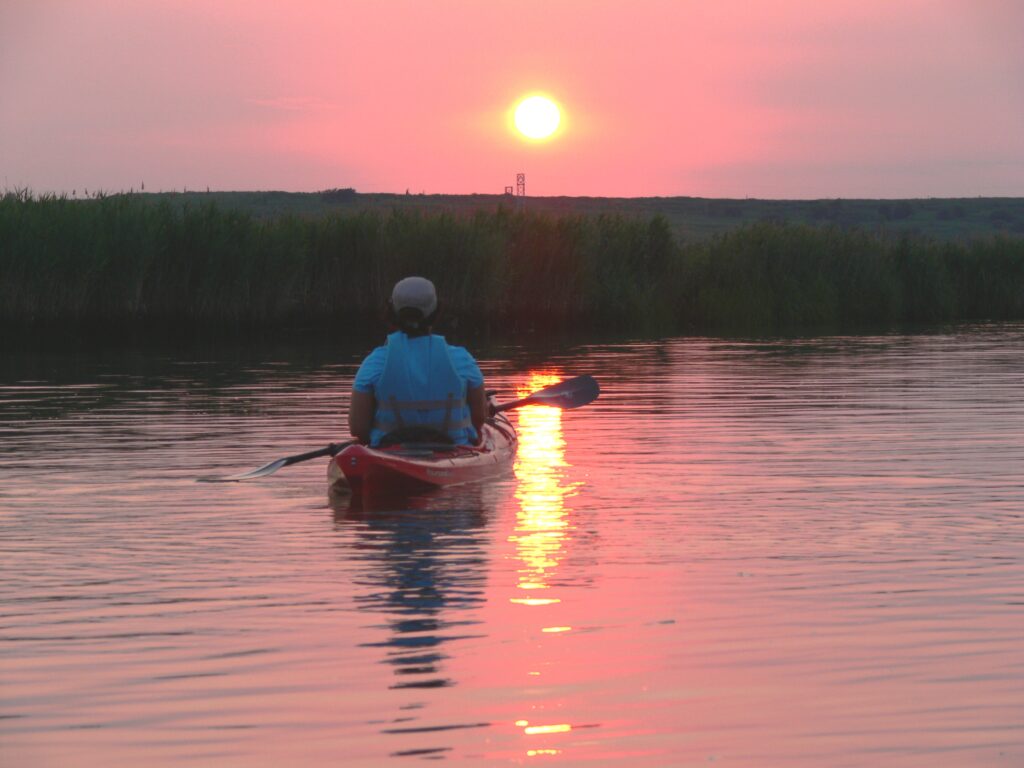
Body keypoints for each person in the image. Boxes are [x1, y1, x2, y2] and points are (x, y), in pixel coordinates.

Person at [349, 276, 488, 447]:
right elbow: (479, 419)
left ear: (392, 311)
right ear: (436, 311)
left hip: (389, 452)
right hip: (455, 451)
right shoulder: (462, 359)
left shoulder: (374, 362)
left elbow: (359, 428)